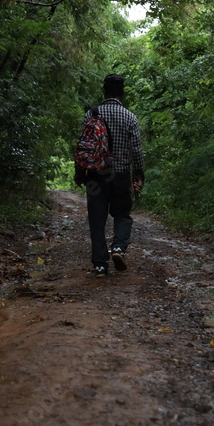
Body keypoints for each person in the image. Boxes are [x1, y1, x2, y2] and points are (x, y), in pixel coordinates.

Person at [74, 73, 145, 276]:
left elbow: (82, 146)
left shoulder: (92, 114)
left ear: (104, 91)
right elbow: (137, 150)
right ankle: (118, 248)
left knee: (97, 220)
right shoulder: (130, 117)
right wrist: (138, 175)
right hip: (121, 176)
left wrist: (79, 173)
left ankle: (100, 265)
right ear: (122, 93)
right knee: (122, 214)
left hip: (95, 176)